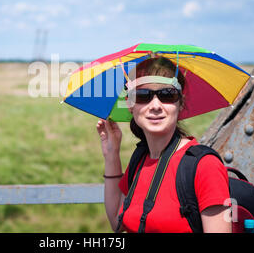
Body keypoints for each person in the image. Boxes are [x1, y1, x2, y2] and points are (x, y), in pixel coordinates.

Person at [96, 57, 231, 233]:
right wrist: (112, 154)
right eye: (143, 96)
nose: (156, 106)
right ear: (130, 105)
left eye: (167, 95)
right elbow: (117, 221)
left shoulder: (204, 166)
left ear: (180, 103)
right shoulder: (140, 160)